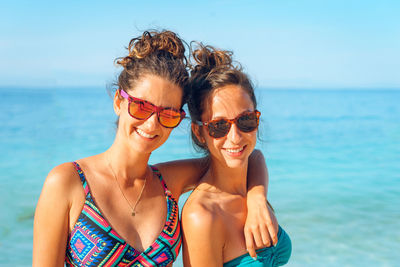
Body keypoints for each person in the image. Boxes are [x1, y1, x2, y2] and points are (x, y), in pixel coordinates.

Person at [33, 30, 277, 267]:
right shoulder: (69, 182)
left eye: (168, 114)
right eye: (141, 107)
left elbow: (242, 155)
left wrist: (257, 200)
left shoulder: (168, 183)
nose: (152, 124)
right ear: (119, 102)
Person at [182, 44, 292, 266]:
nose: (236, 137)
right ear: (199, 132)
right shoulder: (202, 216)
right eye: (219, 125)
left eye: (246, 120)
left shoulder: (252, 185)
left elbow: (256, 156)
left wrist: (257, 199)